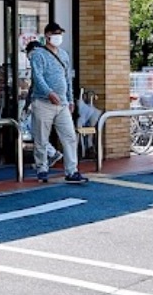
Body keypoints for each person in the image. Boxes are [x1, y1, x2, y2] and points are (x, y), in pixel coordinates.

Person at [28, 22, 88, 184]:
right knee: (41, 138)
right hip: (43, 102)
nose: (58, 37)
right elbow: (37, 77)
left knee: (69, 136)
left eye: (60, 34)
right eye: (56, 34)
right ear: (47, 36)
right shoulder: (38, 54)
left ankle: (72, 170)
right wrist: (49, 92)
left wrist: (69, 99)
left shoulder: (64, 55)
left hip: (62, 104)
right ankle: (42, 168)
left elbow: (67, 79)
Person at [22, 40, 63, 169]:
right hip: (47, 103)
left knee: (35, 131)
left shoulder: (39, 64)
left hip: (40, 104)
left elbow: (34, 87)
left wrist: (27, 105)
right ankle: (47, 157)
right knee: (36, 132)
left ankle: (47, 158)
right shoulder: (47, 64)